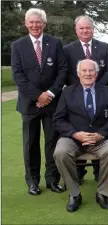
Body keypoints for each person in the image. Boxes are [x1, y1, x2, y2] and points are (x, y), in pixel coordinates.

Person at [53, 59, 108, 212]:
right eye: (84, 71)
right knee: (60, 152)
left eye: (91, 71)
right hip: (73, 138)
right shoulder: (67, 92)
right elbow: (58, 119)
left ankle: (104, 193)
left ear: (96, 74)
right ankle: (74, 194)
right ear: (78, 74)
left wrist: (100, 134)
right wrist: (75, 134)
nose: (88, 74)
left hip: (101, 138)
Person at [11, 8, 66, 195]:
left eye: (38, 22)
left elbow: (62, 71)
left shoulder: (55, 43)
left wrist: (49, 94)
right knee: (30, 144)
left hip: (52, 103)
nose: (35, 25)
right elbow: (18, 76)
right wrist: (37, 96)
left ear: (44, 24)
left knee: (52, 142)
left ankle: (53, 180)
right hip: (29, 105)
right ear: (26, 23)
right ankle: (32, 182)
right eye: (31, 22)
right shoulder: (18, 46)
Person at [64, 15, 108, 185]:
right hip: (77, 96)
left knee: (99, 131)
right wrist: (81, 89)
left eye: (88, 28)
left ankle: (99, 173)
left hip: (98, 93)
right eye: (81, 28)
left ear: (93, 29)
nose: (85, 31)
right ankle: (78, 174)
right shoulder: (68, 49)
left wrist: (96, 88)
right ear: (76, 30)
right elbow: (68, 73)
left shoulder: (104, 47)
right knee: (74, 138)